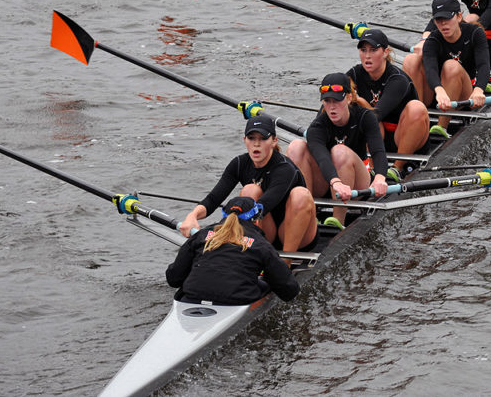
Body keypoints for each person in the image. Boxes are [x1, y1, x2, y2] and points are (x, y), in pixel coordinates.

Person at [178, 116, 317, 253]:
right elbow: (213, 199)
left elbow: (265, 204)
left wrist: (226, 226)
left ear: (274, 141)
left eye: (263, 138)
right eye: (251, 138)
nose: (256, 144)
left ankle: (285, 263)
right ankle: (256, 255)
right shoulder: (239, 164)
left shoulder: (285, 168)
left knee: (301, 194)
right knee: (250, 191)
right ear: (244, 140)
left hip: (298, 234)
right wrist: (192, 216)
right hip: (267, 231)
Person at [286, 72, 390, 230]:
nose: (332, 107)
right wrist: (336, 182)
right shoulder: (317, 127)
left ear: (348, 98)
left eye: (337, 100)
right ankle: (308, 215)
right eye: (327, 101)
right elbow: (322, 159)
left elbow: (378, 151)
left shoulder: (365, 116)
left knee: (339, 151)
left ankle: (338, 221)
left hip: (358, 184)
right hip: (331, 183)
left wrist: (381, 177)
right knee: (296, 147)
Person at [167, 196, 300, 305]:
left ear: (224, 217)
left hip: (192, 296)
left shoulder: (201, 235)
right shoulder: (261, 245)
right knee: (267, 283)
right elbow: (289, 291)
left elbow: (173, 278)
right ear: (257, 222)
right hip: (235, 299)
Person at [402, 0, 490, 139]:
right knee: (410, 60)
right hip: (440, 94)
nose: (443, 24)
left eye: (447, 19)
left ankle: (442, 127)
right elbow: (430, 69)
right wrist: (439, 90)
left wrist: (479, 89)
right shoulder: (433, 39)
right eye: (438, 20)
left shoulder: (475, 33)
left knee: (451, 66)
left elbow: (484, 65)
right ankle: (419, 118)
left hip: (465, 95)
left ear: (459, 16)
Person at [346, 28, 429, 177]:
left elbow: (377, 114)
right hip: (378, 138)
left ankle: (396, 169)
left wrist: (359, 100)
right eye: (363, 50)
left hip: (403, 138)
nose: (367, 56)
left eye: (373, 50)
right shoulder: (355, 73)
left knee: (416, 107)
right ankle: (369, 166)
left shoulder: (397, 79)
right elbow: (333, 96)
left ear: (385, 52)